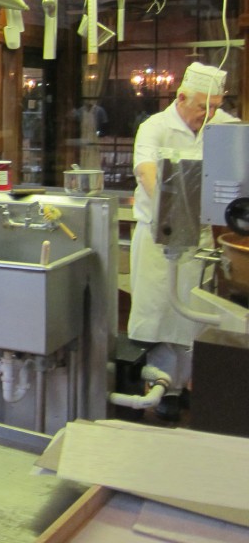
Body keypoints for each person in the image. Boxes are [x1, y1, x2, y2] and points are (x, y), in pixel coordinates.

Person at [128, 62, 240, 421]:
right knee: (160, 314)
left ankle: (188, 384)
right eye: (202, 106)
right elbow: (146, 171)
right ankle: (165, 389)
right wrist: (173, 210)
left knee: (194, 317)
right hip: (159, 238)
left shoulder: (223, 126)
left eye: (215, 106)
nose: (208, 114)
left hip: (201, 241)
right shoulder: (155, 127)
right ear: (181, 98)